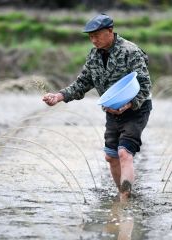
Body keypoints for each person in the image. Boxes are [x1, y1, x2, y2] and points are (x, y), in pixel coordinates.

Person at [42, 13, 152, 201]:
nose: (93, 40)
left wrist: (130, 104)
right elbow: (82, 82)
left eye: (96, 35)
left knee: (125, 152)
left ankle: (124, 201)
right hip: (112, 109)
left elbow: (144, 83)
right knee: (111, 157)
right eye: (90, 36)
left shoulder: (130, 51)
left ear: (110, 31)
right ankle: (124, 192)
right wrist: (59, 96)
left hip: (135, 109)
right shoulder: (94, 56)